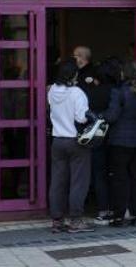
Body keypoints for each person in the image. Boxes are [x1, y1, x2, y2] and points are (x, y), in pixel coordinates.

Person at [102, 61, 136, 227]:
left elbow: (112, 116)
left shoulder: (119, 92)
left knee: (120, 179)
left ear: (123, 74)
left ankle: (119, 216)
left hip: (120, 141)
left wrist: (103, 115)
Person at [48, 60, 95, 234]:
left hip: (57, 140)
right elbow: (81, 117)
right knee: (78, 181)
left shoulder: (52, 90)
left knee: (58, 181)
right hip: (75, 141)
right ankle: (75, 220)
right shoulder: (77, 92)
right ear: (74, 75)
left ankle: (56, 220)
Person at [87, 57, 120, 225]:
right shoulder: (118, 90)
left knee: (99, 173)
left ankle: (103, 209)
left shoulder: (91, 93)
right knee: (116, 172)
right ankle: (118, 207)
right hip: (116, 136)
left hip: (97, 137)